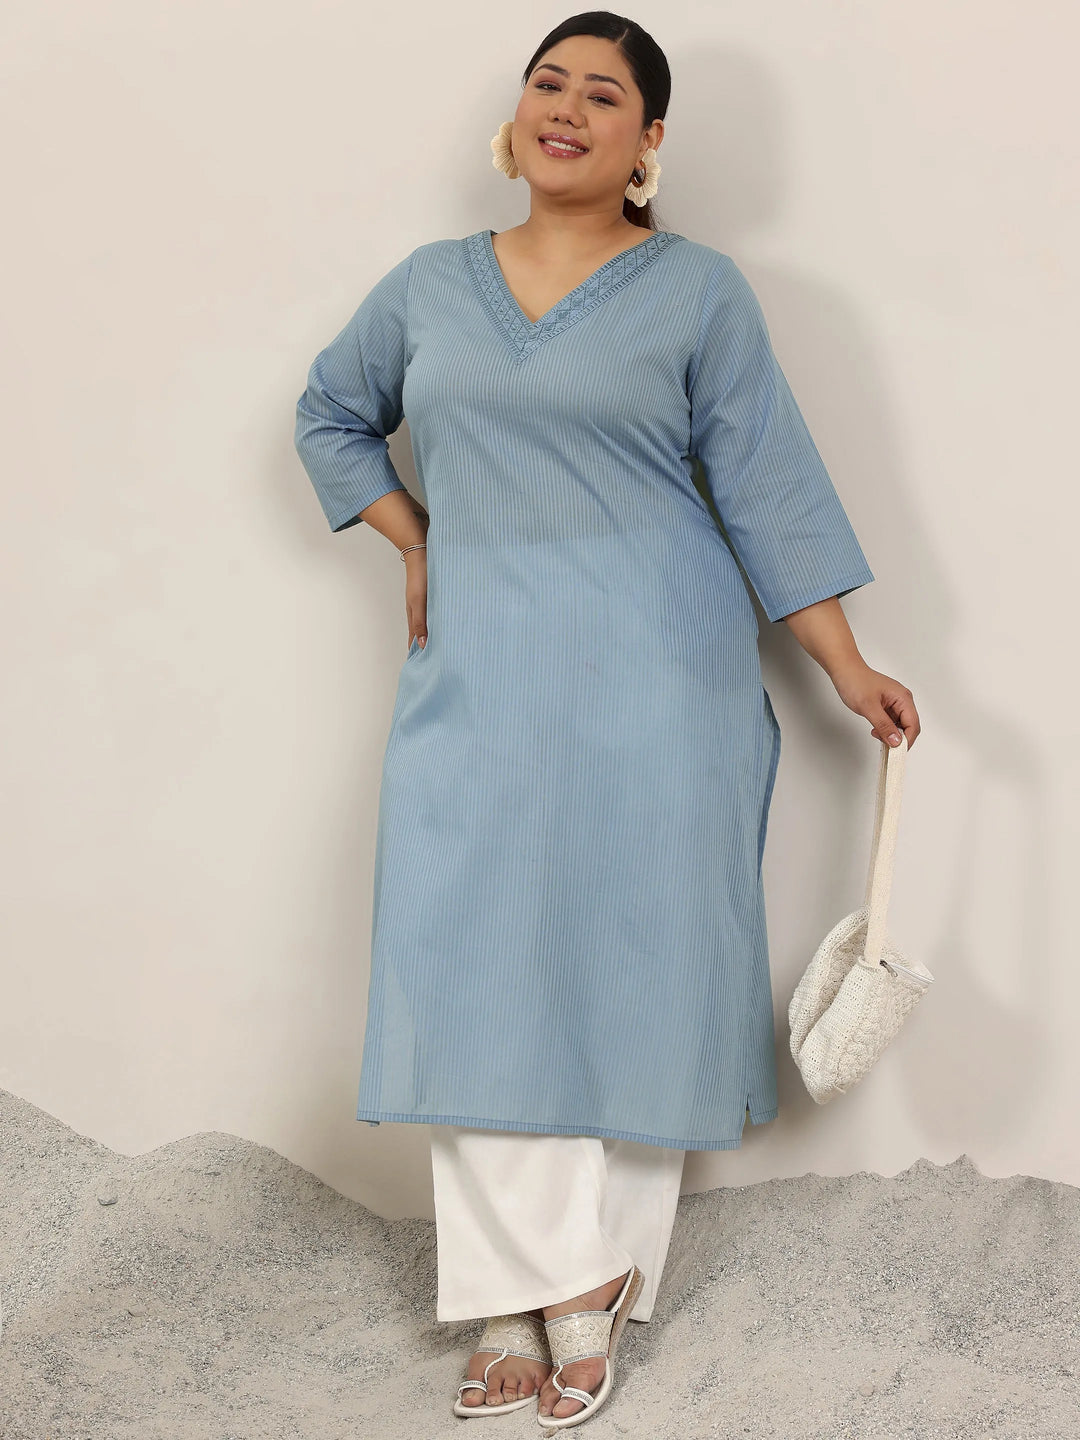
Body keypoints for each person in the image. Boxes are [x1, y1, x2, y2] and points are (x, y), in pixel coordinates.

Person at [293, 12, 921, 1428]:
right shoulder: (427, 287)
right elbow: (331, 413)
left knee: (640, 963)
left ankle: (569, 1297)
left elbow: (767, 482)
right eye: (548, 84)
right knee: (470, 956)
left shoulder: (698, 292)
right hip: (482, 677)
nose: (567, 109)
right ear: (516, 116)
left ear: (649, 141)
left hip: (663, 676)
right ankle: (535, 1280)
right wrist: (413, 538)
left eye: (604, 95)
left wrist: (843, 664)